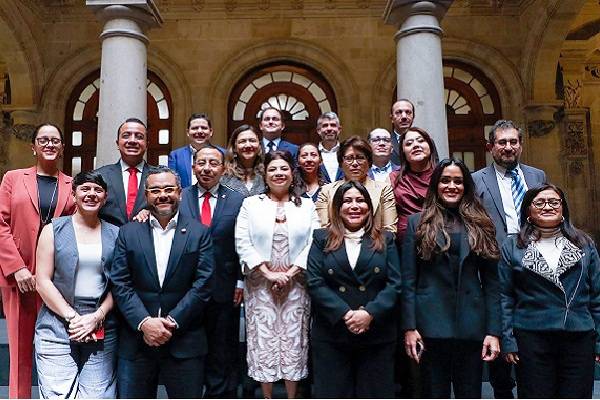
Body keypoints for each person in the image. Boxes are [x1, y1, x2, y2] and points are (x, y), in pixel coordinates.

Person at [110, 166, 214, 398]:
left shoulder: (199, 233)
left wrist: (171, 322)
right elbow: (120, 282)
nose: (163, 195)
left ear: (180, 193)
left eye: (169, 189)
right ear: (146, 195)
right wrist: (145, 322)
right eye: (155, 190)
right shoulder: (128, 233)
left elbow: (203, 284)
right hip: (137, 341)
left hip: (184, 340)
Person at [401, 158, 502, 398]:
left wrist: (493, 331)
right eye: (445, 180)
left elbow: (492, 284)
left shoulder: (481, 223)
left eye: (458, 181)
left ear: (466, 186)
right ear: (436, 184)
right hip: (429, 327)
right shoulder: (418, 222)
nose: (452, 186)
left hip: (471, 325)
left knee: (470, 393)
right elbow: (408, 280)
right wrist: (409, 327)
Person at [499, 184, 600, 399]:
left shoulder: (584, 244)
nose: (548, 206)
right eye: (540, 202)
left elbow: (597, 296)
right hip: (532, 337)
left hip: (578, 336)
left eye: (554, 202)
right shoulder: (513, 247)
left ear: (563, 209)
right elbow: (505, 297)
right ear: (528, 210)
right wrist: (508, 340)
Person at [0, 123, 76, 398]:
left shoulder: (71, 185)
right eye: (43, 140)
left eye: (55, 140)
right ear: (33, 147)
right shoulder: (13, 178)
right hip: (18, 276)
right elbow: (1, 223)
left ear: (62, 148)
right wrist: (17, 269)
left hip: (55, 279)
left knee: (55, 348)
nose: (49, 144)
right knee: (19, 349)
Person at [235, 150, 319, 399]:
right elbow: (242, 241)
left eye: (283, 169)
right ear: (265, 174)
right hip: (260, 285)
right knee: (264, 342)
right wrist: (268, 273)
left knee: (293, 342)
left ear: (292, 174)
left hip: (297, 285)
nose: (278, 174)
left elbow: (314, 242)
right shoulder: (251, 204)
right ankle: (268, 396)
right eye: (272, 169)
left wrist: (291, 272)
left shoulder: (306, 205)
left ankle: (292, 397)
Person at [307, 180, 402, 398]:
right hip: (332, 334)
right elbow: (314, 281)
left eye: (360, 200)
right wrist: (346, 314)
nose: (354, 206)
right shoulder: (321, 238)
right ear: (338, 208)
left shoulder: (386, 239)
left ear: (369, 207)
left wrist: (369, 313)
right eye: (347, 201)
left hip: (376, 334)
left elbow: (395, 283)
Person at [472, 119, 546, 398]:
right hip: (495, 268)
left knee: (530, 332)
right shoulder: (477, 179)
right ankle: (503, 390)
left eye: (513, 142)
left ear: (521, 145)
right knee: (499, 329)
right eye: (502, 142)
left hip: (535, 266)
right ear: (491, 147)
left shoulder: (537, 176)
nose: (508, 147)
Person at [34, 171, 119, 398]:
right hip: (56, 323)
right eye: (85, 189)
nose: (91, 194)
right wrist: (73, 318)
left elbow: (120, 284)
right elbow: (42, 281)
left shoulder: (116, 234)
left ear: (105, 197)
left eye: (97, 190)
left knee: (97, 395)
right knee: (57, 394)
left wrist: (96, 316)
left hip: (101, 324)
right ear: (73, 195)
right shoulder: (53, 229)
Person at [179, 144, 245, 398]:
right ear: (193, 167)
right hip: (186, 286)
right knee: (190, 347)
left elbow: (242, 244)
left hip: (224, 287)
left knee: (222, 348)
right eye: (202, 163)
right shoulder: (179, 197)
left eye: (213, 163)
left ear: (224, 168)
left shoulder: (238, 201)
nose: (207, 168)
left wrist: (241, 281)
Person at [316, 136, 397, 233]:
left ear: (369, 162)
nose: (354, 163)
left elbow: (390, 230)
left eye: (360, 158)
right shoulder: (326, 191)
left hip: (375, 245)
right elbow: (323, 230)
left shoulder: (383, 189)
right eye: (349, 158)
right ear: (341, 163)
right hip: (336, 245)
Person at [95, 118, 154, 227]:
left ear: (147, 144)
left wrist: (153, 213)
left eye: (139, 137)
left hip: (148, 239)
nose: (132, 140)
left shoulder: (157, 176)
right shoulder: (100, 176)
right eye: (126, 136)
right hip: (110, 241)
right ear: (118, 143)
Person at [389, 126, 440, 242]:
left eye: (421, 141)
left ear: (430, 146)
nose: (416, 145)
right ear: (403, 151)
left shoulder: (442, 176)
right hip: (405, 244)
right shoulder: (393, 179)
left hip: (440, 239)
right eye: (409, 143)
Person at [168, 113, 226, 188]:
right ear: (188, 132)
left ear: (211, 132)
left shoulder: (224, 153)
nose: (199, 131)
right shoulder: (175, 156)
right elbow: (172, 183)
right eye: (195, 128)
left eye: (204, 128)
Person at [220, 124, 266, 197]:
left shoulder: (267, 174)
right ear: (234, 147)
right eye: (242, 141)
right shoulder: (223, 175)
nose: (248, 145)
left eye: (252, 140)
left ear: (259, 146)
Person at [316, 112, 344, 183]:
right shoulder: (313, 153)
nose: (329, 129)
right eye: (325, 125)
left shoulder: (346, 151)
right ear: (318, 130)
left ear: (339, 130)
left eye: (333, 125)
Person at [390, 99, 415, 165]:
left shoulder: (426, 141)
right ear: (392, 118)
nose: (404, 116)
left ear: (413, 117)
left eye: (408, 112)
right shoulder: (384, 142)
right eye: (398, 112)